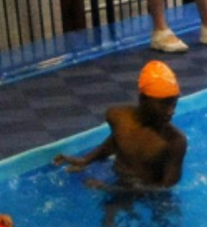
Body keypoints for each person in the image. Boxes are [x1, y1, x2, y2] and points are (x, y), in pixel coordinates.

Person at [53, 62, 188, 191]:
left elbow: (164, 189)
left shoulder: (175, 142)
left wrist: (109, 189)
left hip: (149, 195)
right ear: (143, 99)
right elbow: (116, 142)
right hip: (119, 181)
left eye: (173, 104)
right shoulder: (118, 117)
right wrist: (85, 160)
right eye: (164, 104)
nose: (171, 111)